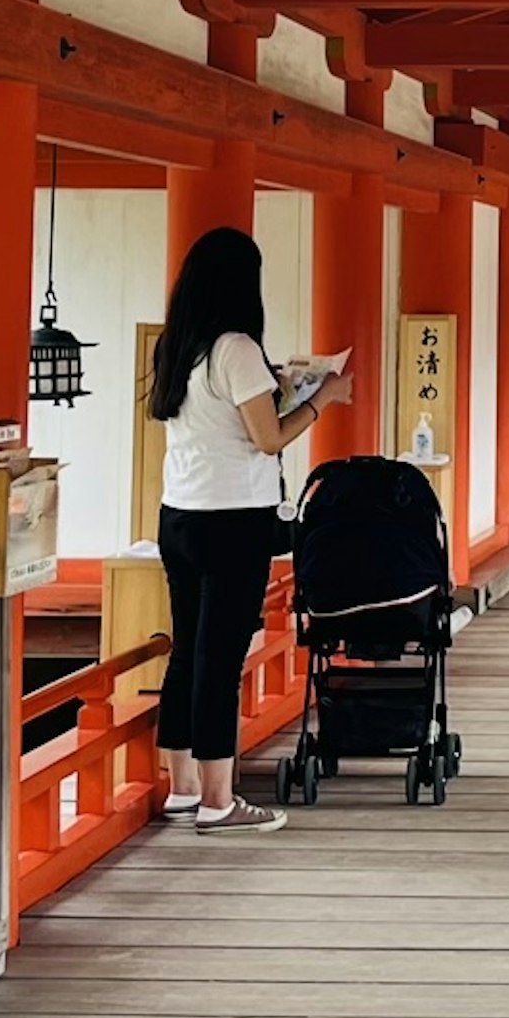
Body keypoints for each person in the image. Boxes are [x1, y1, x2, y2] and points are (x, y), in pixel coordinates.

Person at [152, 223, 348, 838]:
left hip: (179, 514)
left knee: (187, 652)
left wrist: (282, 387)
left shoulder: (180, 346)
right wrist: (324, 399)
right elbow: (267, 440)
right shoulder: (237, 347)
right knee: (220, 659)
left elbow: (226, 421)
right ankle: (220, 800)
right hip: (232, 521)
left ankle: (182, 788)